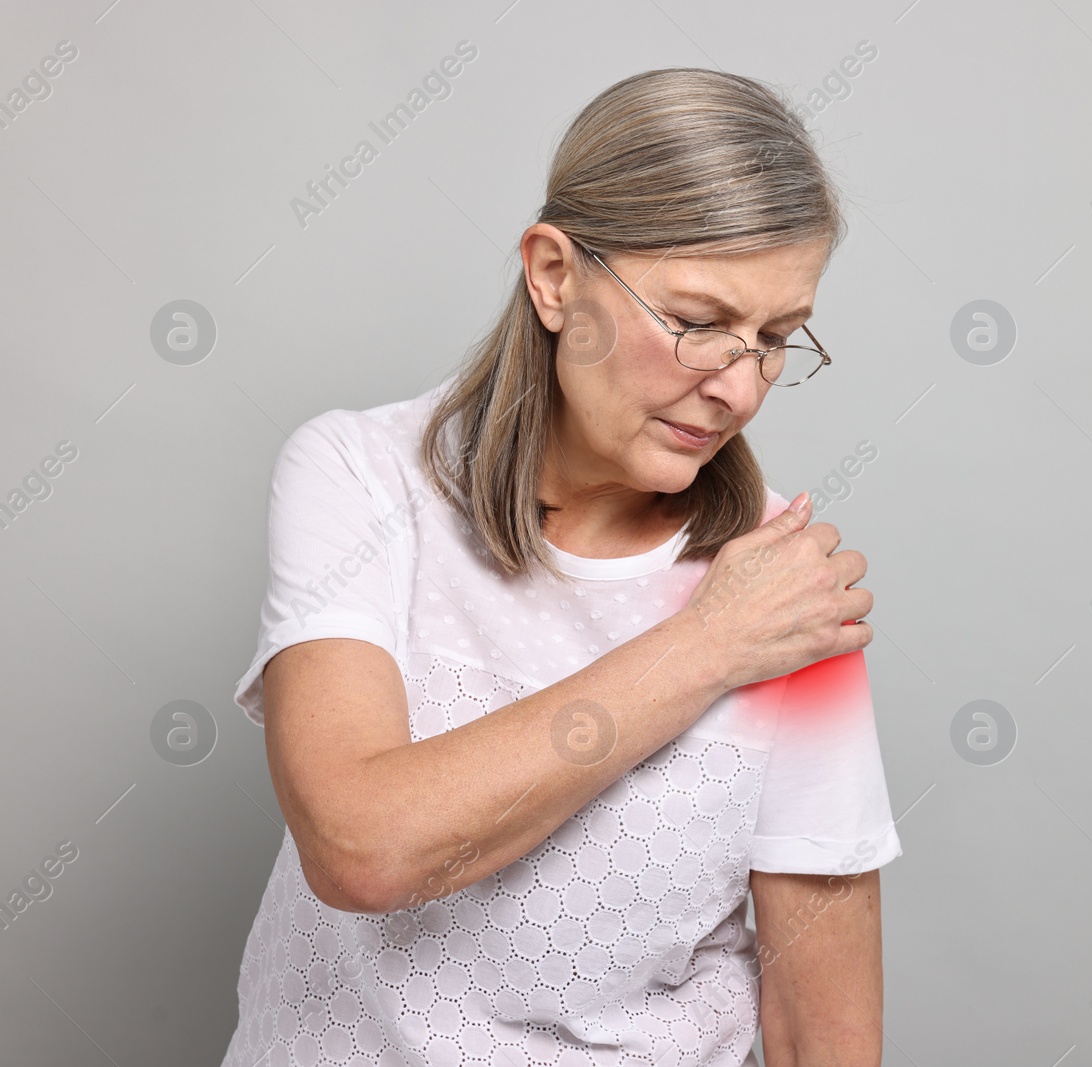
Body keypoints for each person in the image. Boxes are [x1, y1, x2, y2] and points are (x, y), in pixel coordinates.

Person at [219, 68, 901, 1067]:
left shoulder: (786, 587)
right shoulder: (358, 479)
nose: (740, 386)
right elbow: (361, 845)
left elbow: (822, 1032)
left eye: (774, 340)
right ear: (553, 277)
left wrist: (745, 626)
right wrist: (708, 644)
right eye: (698, 320)